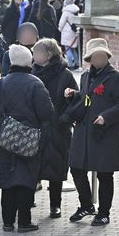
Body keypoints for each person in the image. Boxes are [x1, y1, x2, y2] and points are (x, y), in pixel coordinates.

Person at [0, 44, 54, 232]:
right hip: (30, 140)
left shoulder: (1, 83)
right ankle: (24, 221)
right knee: (26, 180)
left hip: (5, 138)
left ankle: (7, 222)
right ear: (29, 62)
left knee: (7, 182)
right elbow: (47, 112)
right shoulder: (35, 83)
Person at [65, 38, 119, 226]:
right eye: (96, 56)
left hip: (104, 134)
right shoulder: (85, 76)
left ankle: (104, 212)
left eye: (102, 55)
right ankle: (86, 204)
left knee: (104, 174)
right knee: (76, 168)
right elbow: (87, 99)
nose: (99, 58)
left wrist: (106, 116)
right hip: (84, 130)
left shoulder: (115, 78)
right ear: (90, 58)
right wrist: (74, 95)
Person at [32, 38, 78, 218]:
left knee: (56, 167)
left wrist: (64, 119)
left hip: (58, 128)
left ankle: (55, 204)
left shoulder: (65, 75)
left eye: (37, 53)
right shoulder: (32, 72)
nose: (34, 56)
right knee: (33, 164)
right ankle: (28, 199)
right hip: (35, 127)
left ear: (49, 55)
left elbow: (75, 101)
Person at [58, 0, 80, 70]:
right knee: (73, 49)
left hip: (66, 32)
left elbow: (62, 22)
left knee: (68, 49)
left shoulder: (66, 12)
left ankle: (70, 65)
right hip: (74, 31)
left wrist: (60, 29)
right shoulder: (76, 11)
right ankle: (77, 63)